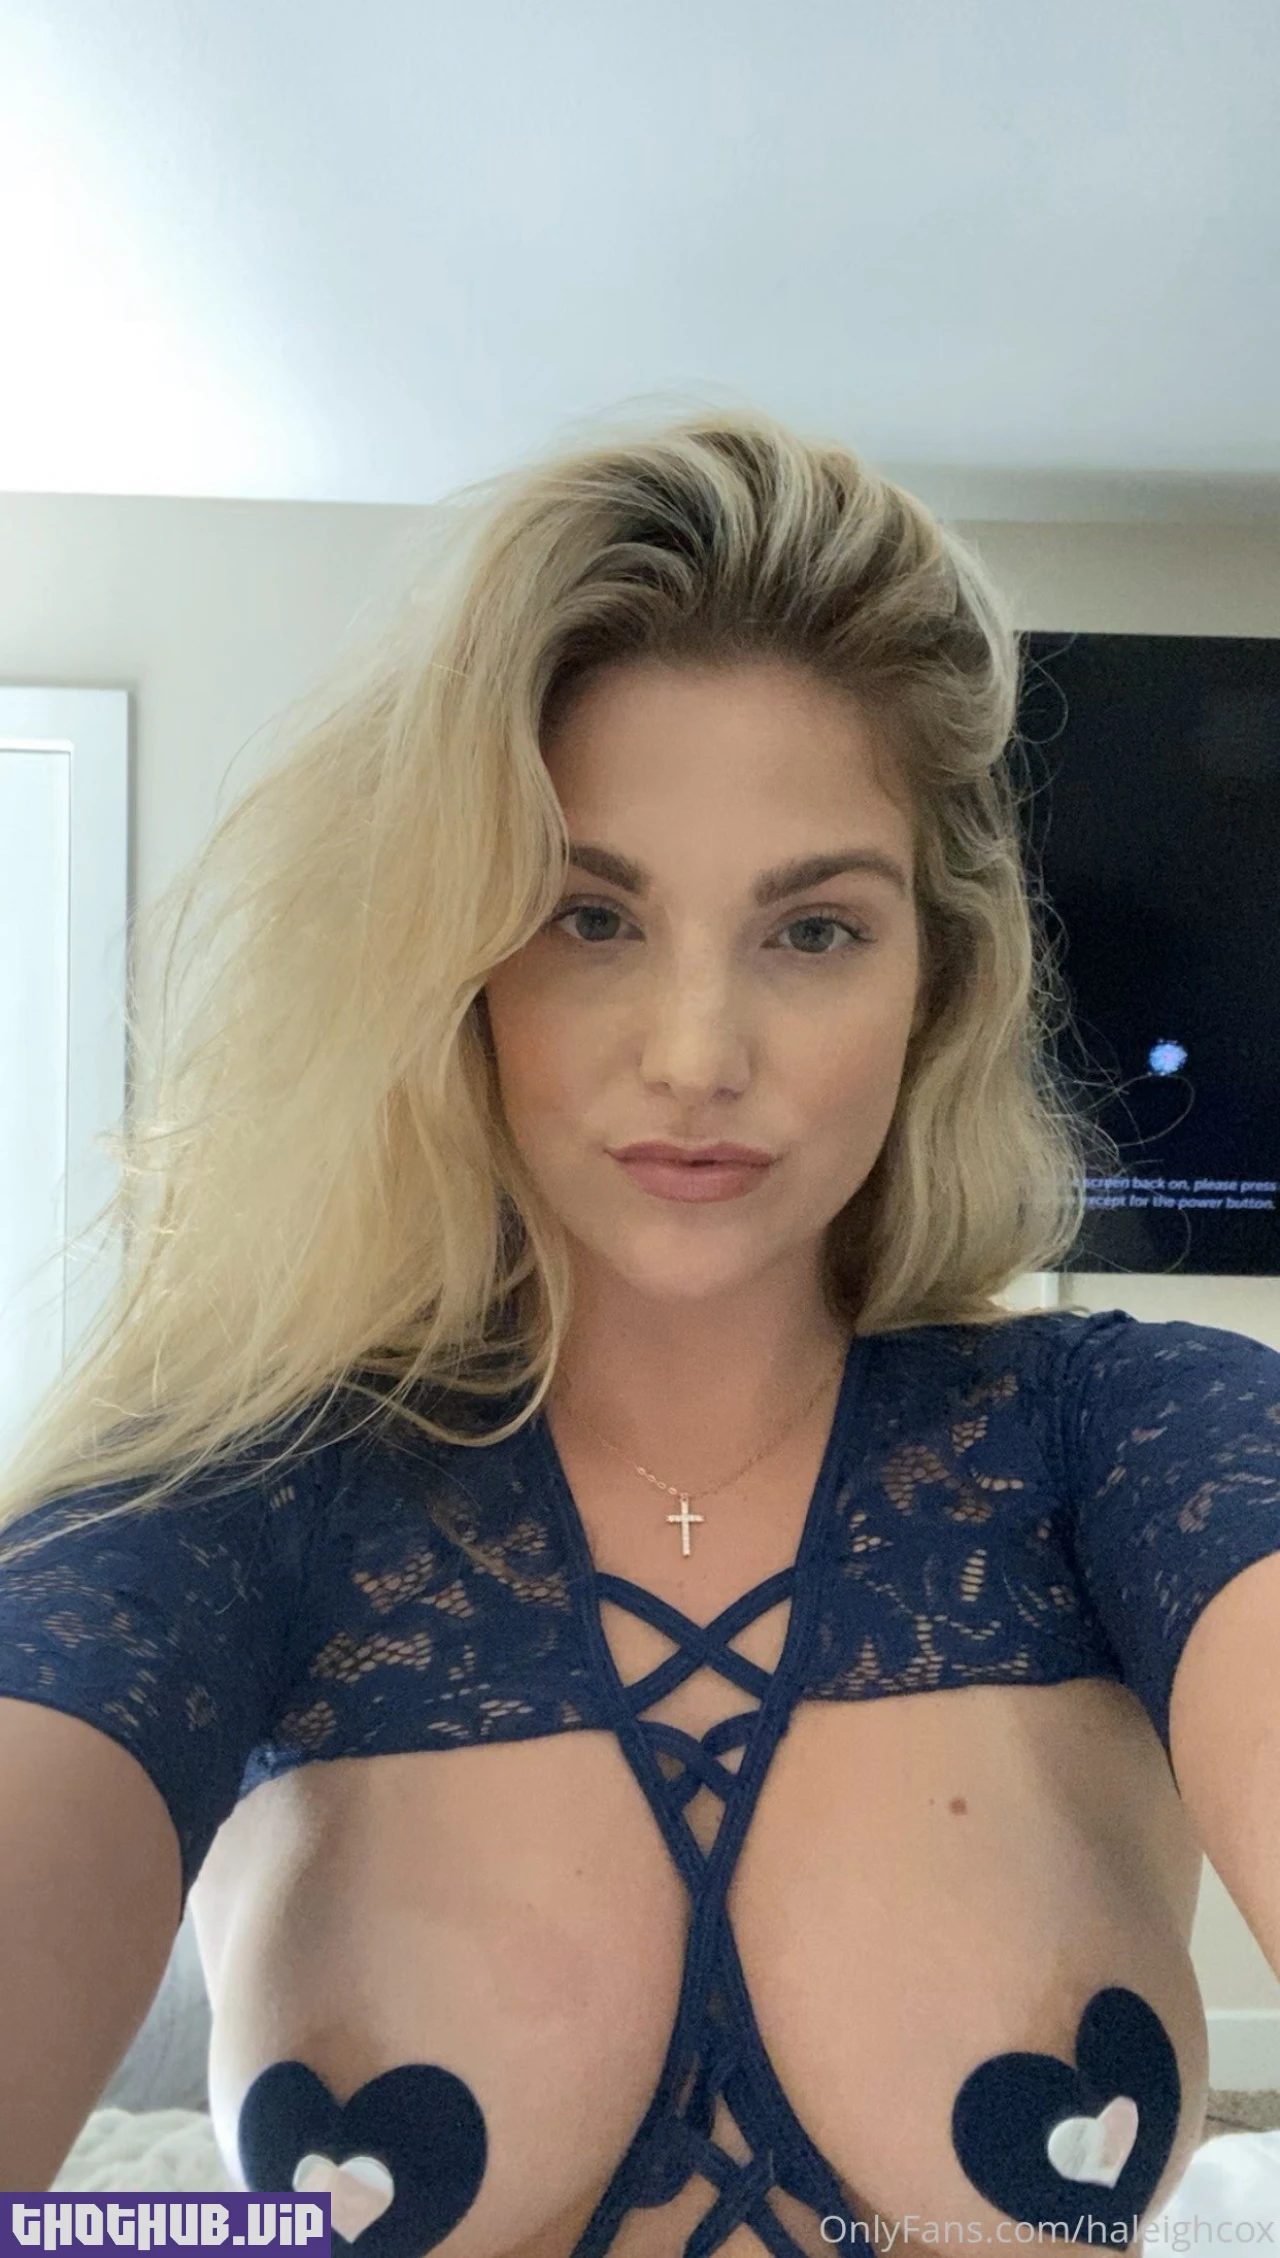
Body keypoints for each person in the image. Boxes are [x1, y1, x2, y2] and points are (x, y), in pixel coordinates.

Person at [1, 405, 1279, 2253]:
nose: (697, 1051)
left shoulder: (1136, 1441)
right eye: (589, 916)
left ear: (937, 981)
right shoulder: (231, 1506)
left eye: (814, 930)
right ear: (455, 961)